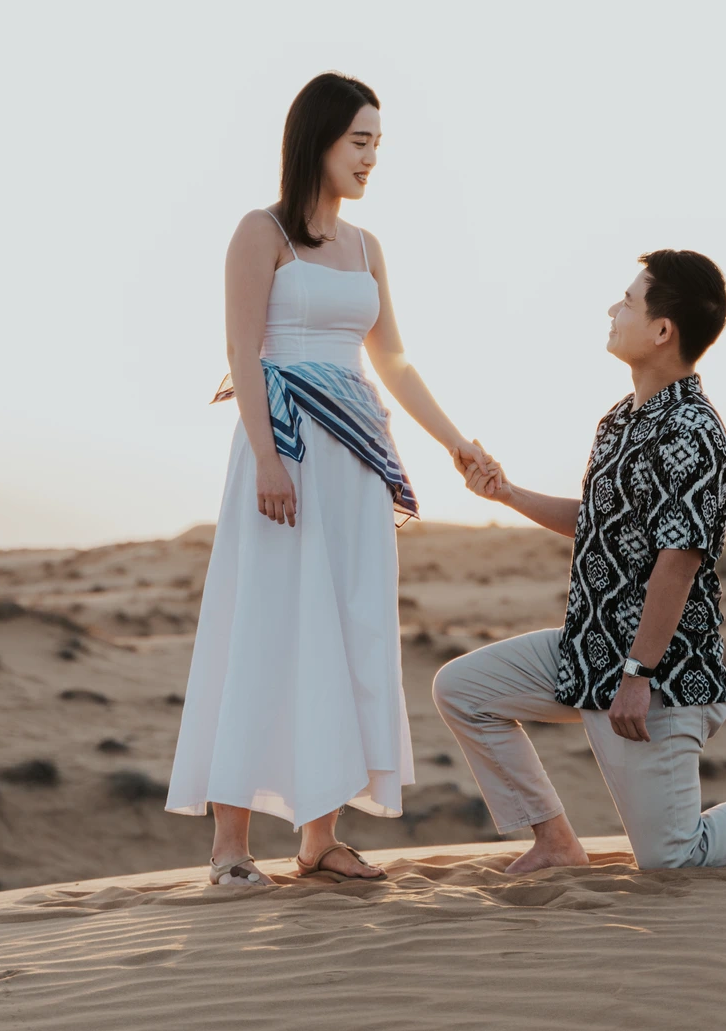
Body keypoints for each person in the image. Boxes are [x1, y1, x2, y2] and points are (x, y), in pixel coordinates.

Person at [434, 250, 726, 872]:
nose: (614, 310)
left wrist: (638, 675)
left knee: (670, 857)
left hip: (658, 674)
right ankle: (555, 843)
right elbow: (593, 522)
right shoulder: (618, 420)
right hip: (589, 650)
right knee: (463, 688)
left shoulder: (694, 430)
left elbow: (678, 563)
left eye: (629, 301)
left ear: (662, 330)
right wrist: (506, 493)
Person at [166, 72, 492, 886]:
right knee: (267, 628)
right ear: (318, 137)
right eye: (360, 139)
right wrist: (270, 461)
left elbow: (396, 362)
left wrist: (457, 443)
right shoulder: (262, 231)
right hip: (284, 455)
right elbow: (243, 353)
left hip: (354, 463)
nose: (373, 156)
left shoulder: (366, 248)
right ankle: (231, 846)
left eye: (379, 141)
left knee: (346, 632)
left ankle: (319, 838)